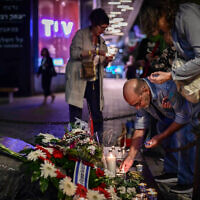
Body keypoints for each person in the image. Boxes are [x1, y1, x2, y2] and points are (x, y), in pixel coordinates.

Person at [120, 78, 200, 194]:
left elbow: (184, 117)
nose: (138, 108)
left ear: (145, 90)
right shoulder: (141, 97)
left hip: (192, 115)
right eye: (134, 105)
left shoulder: (167, 89)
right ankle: (172, 171)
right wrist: (130, 157)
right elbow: (140, 127)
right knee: (162, 125)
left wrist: (160, 137)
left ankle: (188, 181)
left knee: (183, 134)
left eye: (138, 103)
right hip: (175, 115)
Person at [65, 8, 112, 143]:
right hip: (79, 79)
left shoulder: (101, 40)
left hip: (94, 79)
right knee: (76, 112)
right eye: (102, 27)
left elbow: (102, 62)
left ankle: (98, 142)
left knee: (97, 112)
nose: (103, 31)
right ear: (94, 24)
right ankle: (75, 141)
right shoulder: (81, 35)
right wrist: (94, 52)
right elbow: (74, 54)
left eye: (105, 28)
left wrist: (106, 60)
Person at [138, 0, 200, 86]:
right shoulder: (175, 26)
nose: (161, 30)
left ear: (161, 13)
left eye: (157, 26)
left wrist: (170, 75)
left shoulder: (187, 16)